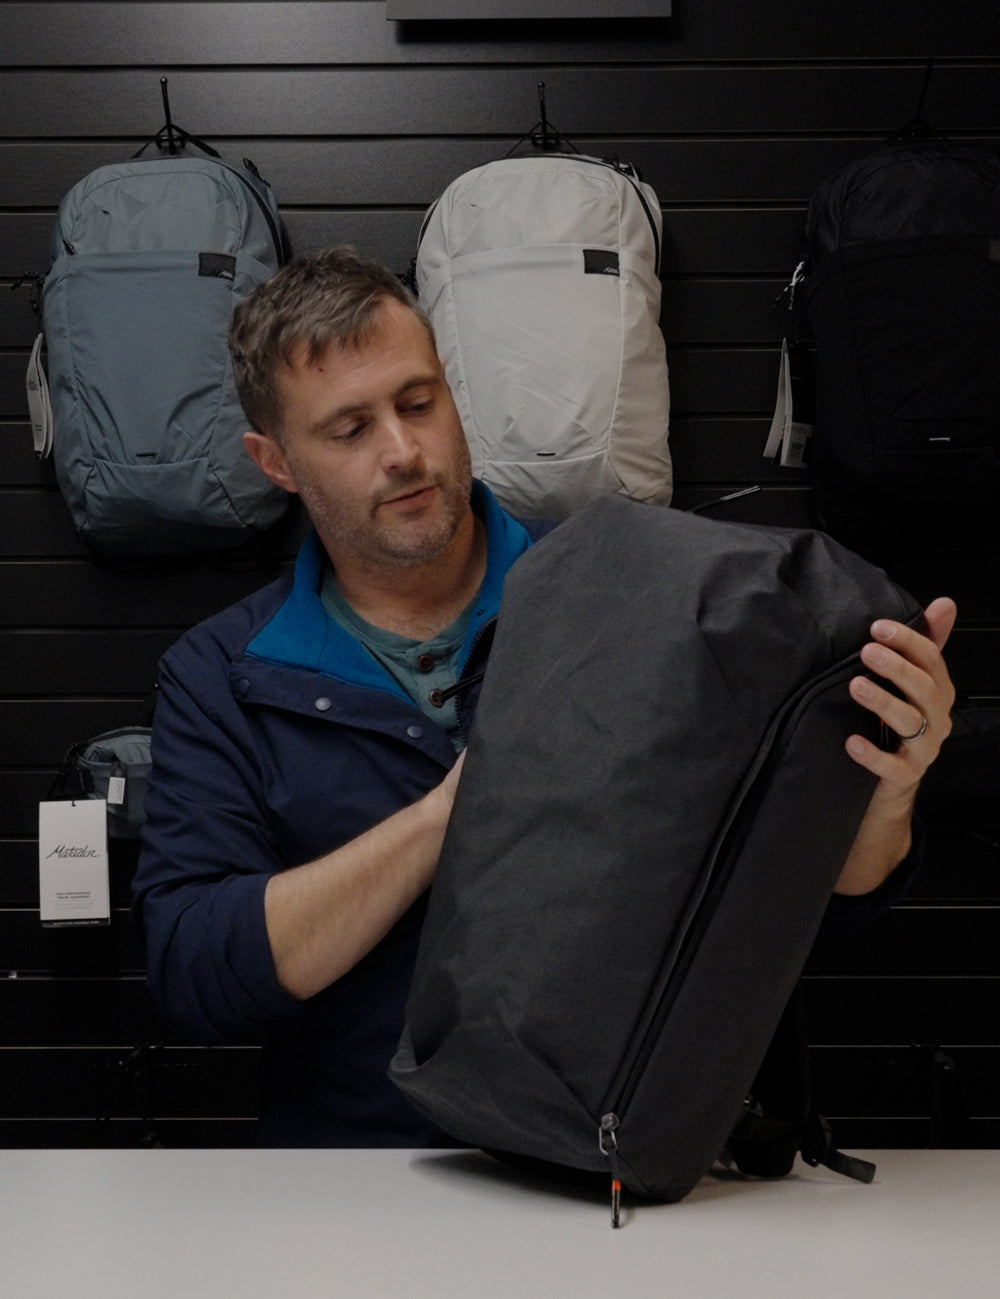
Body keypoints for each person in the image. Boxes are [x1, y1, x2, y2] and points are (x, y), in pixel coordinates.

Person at [132, 245, 956, 1147]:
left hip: (632, 1163)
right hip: (365, 1180)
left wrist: (885, 790)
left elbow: (821, 905)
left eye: (418, 402)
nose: (404, 452)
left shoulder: (636, 588)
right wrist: (452, 810)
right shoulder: (222, 674)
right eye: (349, 429)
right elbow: (198, 968)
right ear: (275, 460)